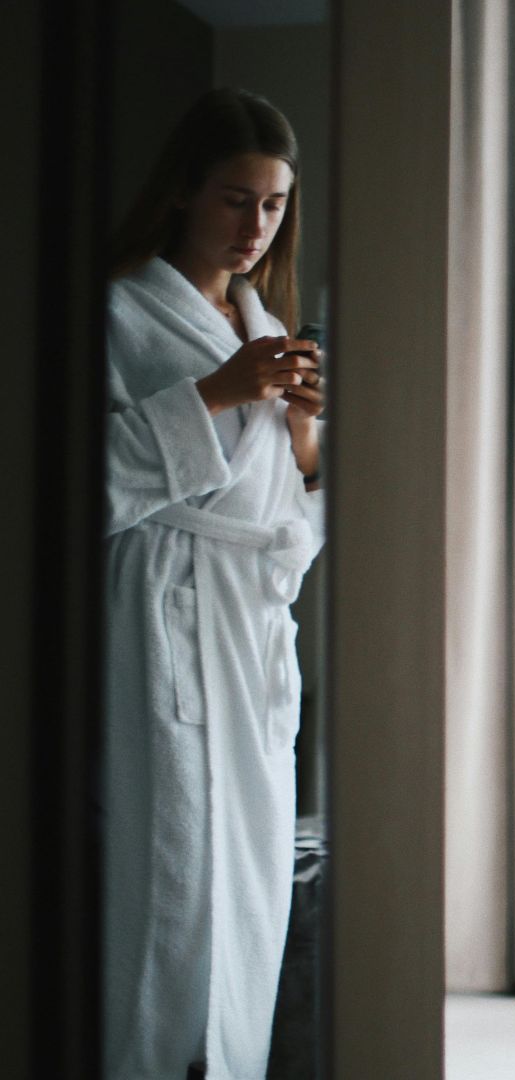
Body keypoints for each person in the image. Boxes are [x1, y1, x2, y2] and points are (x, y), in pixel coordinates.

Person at [101, 87, 325, 1080]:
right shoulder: (114, 308)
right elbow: (75, 482)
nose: (255, 227)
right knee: (170, 869)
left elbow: (281, 514)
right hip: (160, 612)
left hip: (247, 630)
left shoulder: (258, 319)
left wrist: (308, 441)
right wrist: (221, 394)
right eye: (237, 199)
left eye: (273, 206)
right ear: (185, 189)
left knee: (252, 875)